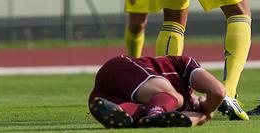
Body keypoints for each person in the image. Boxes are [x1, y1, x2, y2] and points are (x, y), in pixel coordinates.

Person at [88, 54, 224, 128]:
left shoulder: (175, 113)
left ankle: (119, 110)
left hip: (105, 97)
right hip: (120, 69)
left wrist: (201, 116)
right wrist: (207, 109)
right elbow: (218, 91)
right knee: (175, 98)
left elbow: (183, 121)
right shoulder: (184, 65)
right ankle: (155, 112)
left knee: (142, 116)